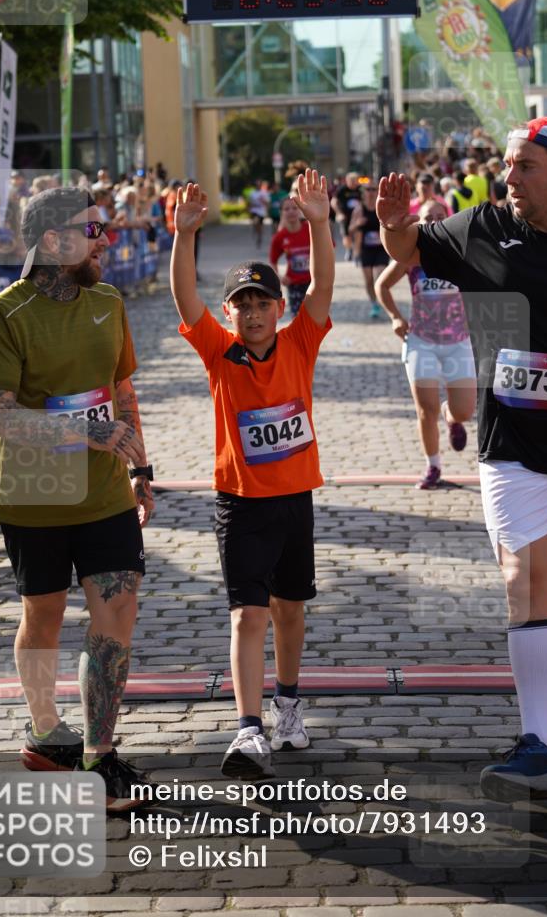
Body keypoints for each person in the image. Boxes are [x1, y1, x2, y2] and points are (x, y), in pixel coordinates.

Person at [376, 116, 547, 802]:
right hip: (511, 442)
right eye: (507, 165)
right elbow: (409, 249)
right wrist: (392, 224)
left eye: (523, 166)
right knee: (521, 575)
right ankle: (535, 742)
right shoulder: (479, 228)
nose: (508, 177)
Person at [0, 186, 156, 812]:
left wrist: (140, 468)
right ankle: (47, 732)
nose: (109, 239)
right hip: (34, 495)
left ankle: (101, 755)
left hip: (105, 494)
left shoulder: (108, 299)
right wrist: (86, 431)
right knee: (43, 618)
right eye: (95, 230)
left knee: (117, 610)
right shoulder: (1, 315)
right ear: (55, 241)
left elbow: (120, 388)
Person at [170, 171, 334, 780]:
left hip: (295, 500)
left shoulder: (300, 343)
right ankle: (248, 729)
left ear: (279, 308)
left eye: (264, 302)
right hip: (239, 503)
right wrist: (184, 236)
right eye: (243, 303)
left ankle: (288, 705)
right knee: (248, 614)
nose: (255, 312)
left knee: (289, 610)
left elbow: (322, 286)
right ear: (230, 312)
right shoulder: (219, 350)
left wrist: (319, 221)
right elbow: (186, 299)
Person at [376, 200, 476, 489]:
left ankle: (451, 416)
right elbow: (381, 285)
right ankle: (433, 466)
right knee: (425, 409)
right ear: (419, 221)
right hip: (421, 341)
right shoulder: (411, 254)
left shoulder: (463, 252)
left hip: (458, 341)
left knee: (464, 411)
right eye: (428, 217)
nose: (433, 222)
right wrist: (395, 317)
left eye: (440, 217)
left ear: (449, 220)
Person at [350, 181, 390, 319]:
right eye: (368, 189)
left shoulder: (383, 208)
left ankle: (380, 299)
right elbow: (350, 229)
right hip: (365, 249)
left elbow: (391, 227)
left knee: (379, 277)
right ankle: (374, 303)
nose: (371, 192)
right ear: (363, 193)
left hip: (381, 248)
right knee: (368, 280)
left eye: (374, 189)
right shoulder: (359, 210)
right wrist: (357, 223)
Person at [269, 196, 311, 317]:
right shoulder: (279, 237)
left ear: (300, 210)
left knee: (316, 319)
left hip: (314, 282)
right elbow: (273, 262)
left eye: (294, 208)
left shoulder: (310, 229)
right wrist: (280, 278)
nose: (291, 211)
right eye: (286, 209)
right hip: (294, 284)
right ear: (281, 212)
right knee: (297, 319)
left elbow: (329, 248)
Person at [331, 171, 360, 261]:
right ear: (347, 181)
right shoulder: (342, 190)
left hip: (357, 217)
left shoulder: (360, 189)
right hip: (345, 216)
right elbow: (333, 202)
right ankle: (349, 249)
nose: (353, 182)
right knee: (346, 236)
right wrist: (339, 213)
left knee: (358, 234)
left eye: (354, 180)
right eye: (351, 180)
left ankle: (357, 253)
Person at [246, 179, 270, 249]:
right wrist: (249, 208)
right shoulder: (252, 193)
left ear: (261, 185)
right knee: (256, 222)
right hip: (254, 210)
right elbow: (249, 202)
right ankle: (257, 230)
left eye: (259, 184)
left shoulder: (264, 193)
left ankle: (259, 236)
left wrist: (263, 202)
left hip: (261, 211)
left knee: (259, 226)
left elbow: (267, 203)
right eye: (257, 184)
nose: (258, 186)